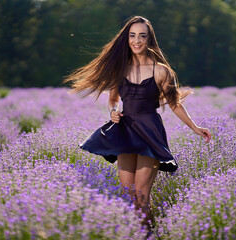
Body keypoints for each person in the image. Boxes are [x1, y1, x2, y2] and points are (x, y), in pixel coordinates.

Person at [63, 16, 211, 236]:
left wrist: (195, 127)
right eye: (132, 35)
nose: (137, 40)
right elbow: (113, 99)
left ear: (149, 39)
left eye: (142, 36)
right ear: (127, 38)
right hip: (125, 131)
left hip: (149, 132)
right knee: (128, 193)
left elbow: (174, 103)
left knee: (141, 195)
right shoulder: (119, 68)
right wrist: (113, 111)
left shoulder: (161, 71)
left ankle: (151, 235)